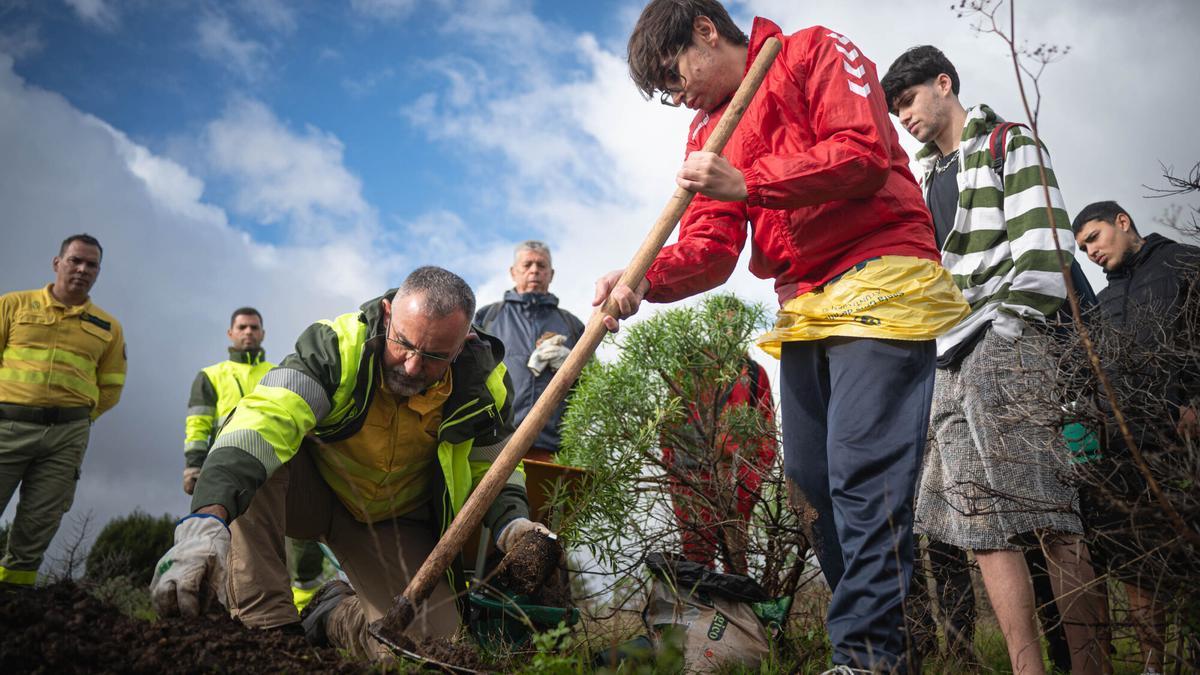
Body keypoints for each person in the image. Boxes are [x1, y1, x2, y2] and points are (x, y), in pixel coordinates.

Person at [600, 3, 970, 671]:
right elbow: (712, 246)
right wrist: (644, 277)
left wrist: (751, 181)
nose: (676, 96)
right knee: (812, 479)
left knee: (862, 468)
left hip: (880, 271)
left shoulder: (812, 51)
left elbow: (862, 153)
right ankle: (894, 647)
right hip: (804, 300)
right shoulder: (707, 133)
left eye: (674, 75)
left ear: (705, 31)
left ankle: (865, 655)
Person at [151, 267, 549, 661]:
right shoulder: (337, 346)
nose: (412, 366)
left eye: (433, 357)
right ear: (388, 314)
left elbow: (493, 468)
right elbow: (262, 422)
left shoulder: (484, 384)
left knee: (429, 654)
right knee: (255, 449)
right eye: (404, 344)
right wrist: (205, 522)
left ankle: (332, 617)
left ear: (461, 346)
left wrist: (513, 522)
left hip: (394, 519)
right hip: (311, 492)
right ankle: (269, 632)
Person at [882, 45, 1107, 674]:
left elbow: (1046, 253)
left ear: (944, 84)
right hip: (944, 360)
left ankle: (1091, 666)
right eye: (895, 110)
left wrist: (1003, 330)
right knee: (982, 528)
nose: (904, 117)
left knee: (1051, 517)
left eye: (909, 100)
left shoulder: (1010, 143)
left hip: (1007, 343)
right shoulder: (921, 181)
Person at [1073, 200, 1200, 675]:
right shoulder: (1105, 300)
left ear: (1122, 222)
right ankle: (1153, 667)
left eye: (1095, 238)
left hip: (1183, 445)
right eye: (1083, 248)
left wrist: (1195, 398)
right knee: (1137, 560)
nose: (1091, 252)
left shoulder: (1185, 262)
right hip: (1126, 451)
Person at [0, 234, 126, 585]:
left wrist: (82, 419)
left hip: (66, 437)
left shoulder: (109, 327)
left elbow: (111, 386)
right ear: (57, 263)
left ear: (98, 272)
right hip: (7, 426)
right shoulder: (13, 305)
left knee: (39, 522)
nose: (83, 269)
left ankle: (13, 597)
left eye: (92, 265)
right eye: (75, 261)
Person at [183, 307, 326, 611]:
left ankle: (305, 610)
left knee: (300, 544)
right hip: (232, 471)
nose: (248, 332)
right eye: (242, 327)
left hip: (280, 466)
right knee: (239, 544)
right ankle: (233, 612)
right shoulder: (212, 376)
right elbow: (198, 425)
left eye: (254, 327)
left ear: (262, 333)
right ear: (230, 333)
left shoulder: (280, 371)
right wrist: (194, 466)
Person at [661, 352, 776, 576]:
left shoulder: (752, 372)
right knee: (697, 557)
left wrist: (753, 478)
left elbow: (766, 429)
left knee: (735, 556)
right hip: (691, 477)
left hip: (739, 479)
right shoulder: (686, 368)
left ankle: (736, 598)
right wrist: (675, 472)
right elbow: (669, 425)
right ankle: (704, 599)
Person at [475, 241, 584, 459]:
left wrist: (573, 367)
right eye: (527, 265)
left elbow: (591, 384)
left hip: (555, 446)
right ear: (513, 272)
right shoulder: (488, 318)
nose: (534, 270)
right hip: (496, 443)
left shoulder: (572, 325)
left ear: (551, 274)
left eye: (541, 265)